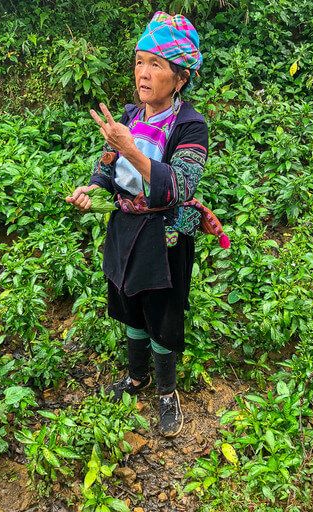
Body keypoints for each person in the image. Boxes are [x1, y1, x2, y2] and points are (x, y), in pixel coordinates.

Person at [66, 11, 208, 438]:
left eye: (156, 64)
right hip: (125, 230)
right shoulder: (129, 115)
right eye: (140, 61)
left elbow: (179, 186)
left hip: (164, 236)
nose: (143, 74)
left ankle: (166, 391)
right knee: (128, 301)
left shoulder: (191, 126)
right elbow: (107, 164)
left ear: (180, 78)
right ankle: (137, 376)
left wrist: (130, 149)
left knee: (161, 313)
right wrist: (92, 186)